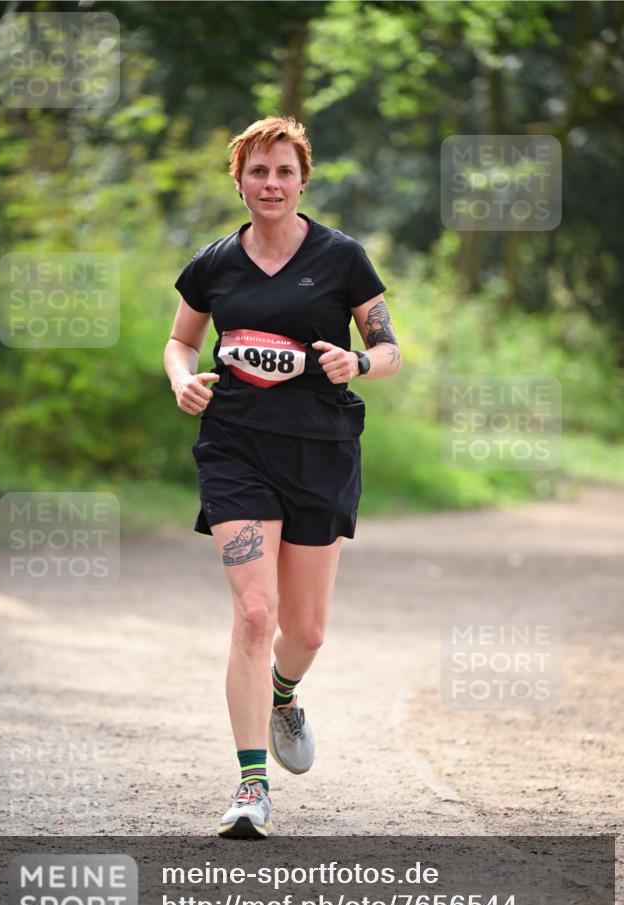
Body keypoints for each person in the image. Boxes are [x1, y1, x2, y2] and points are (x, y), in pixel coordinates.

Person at [164, 116, 401, 838]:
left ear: (302, 180)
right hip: (235, 448)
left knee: (305, 631)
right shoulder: (213, 264)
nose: (270, 184)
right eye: (257, 172)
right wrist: (182, 379)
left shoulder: (342, 258)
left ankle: (284, 695)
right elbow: (181, 339)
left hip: (321, 451)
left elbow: (387, 347)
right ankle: (249, 787)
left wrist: (356, 363)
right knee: (255, 615)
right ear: (238, 181)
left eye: (283, 172)